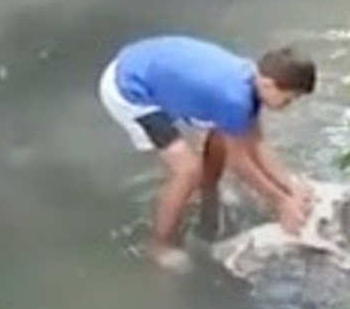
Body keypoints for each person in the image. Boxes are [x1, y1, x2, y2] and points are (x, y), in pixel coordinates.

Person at [98, 34, 317, 271]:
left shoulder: (249, 79)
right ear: (267, 84)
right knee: (187, 171)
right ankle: (159, 245)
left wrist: (289, 185)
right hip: (130, 88)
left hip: (146, 63)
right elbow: (239, 160)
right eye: (289, 98)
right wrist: (281, 202)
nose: (290, 104)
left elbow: (256, 141)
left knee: (224, 134)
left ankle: (208, 189)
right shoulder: (234, 99)